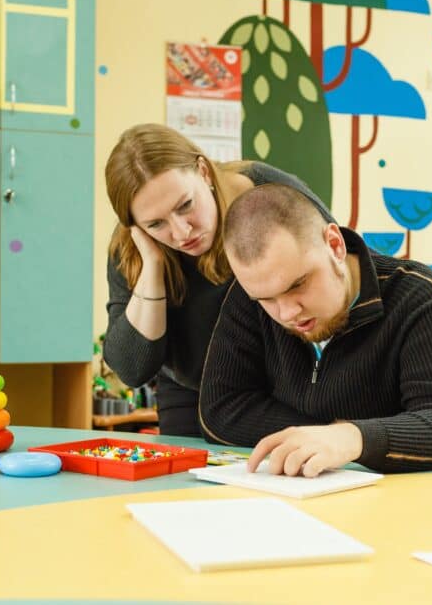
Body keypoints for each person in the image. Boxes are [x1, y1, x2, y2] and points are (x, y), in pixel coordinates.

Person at [198, 183, 432, 475]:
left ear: (335, 245)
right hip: (310, 497)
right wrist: (321, 437)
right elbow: (220, 411)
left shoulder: (419, 295)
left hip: (419, 505)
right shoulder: (249, 297)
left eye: (297, 284)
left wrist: (351, 438)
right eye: (266, 299)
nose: (286, 313)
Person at [103, 124, 333, 436]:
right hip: (192, 393)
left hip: (284, 387)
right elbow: (132, 369)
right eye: (156, 224)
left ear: (204, 172)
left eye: (186, 205)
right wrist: (152, 270)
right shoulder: (131, 248)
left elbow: (339, 274)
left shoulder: (268, 193)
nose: (182, 232)